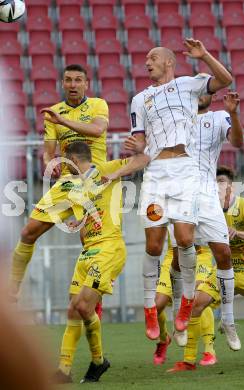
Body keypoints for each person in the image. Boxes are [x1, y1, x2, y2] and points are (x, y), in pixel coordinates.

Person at [128, 38, 233, 342]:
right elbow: (140, 144)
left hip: (185, 171)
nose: (148, 62)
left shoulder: (189, 84)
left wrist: (204, 56)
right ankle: (150, 307)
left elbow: (226, 80)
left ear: (169, 62)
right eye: (146, 59)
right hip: (157, 173)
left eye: (153, 58)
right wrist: (137, 146)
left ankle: (186, 302)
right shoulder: (140, 99)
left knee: (186, 240)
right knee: (153, 245)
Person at [9, 64, 109, 299]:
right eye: (68, 80)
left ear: (86, 84)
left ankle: (95, 295)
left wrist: (63, 122)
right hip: (67, 182)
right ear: (62, 84)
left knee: (91, 243)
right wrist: (47, 162)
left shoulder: (98, 105)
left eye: (77, 80)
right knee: (28, 232)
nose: (73, 85)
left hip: (94, 179)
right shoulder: (53, 112)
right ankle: (12, 288)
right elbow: (48, 151)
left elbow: (96, 130)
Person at [54, 141, 149, 384]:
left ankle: (98, 361)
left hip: (109, 248)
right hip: (88, 252)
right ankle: (64, 370)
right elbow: (85, 226)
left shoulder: (105, 168)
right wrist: (81, 223)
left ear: (74, 160)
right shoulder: (76, 190)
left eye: (66, 163)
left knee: (83, 306)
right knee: (73, 309)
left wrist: (115, 174)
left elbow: (143, 159)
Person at [168, 165, 244, 372]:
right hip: (224, 270)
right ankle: (189, 361)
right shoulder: (208, 209)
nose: (217, 187)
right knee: (196, 305)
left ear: (231, 187)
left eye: (221, 182)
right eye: (214, 183)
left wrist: (237, 232)